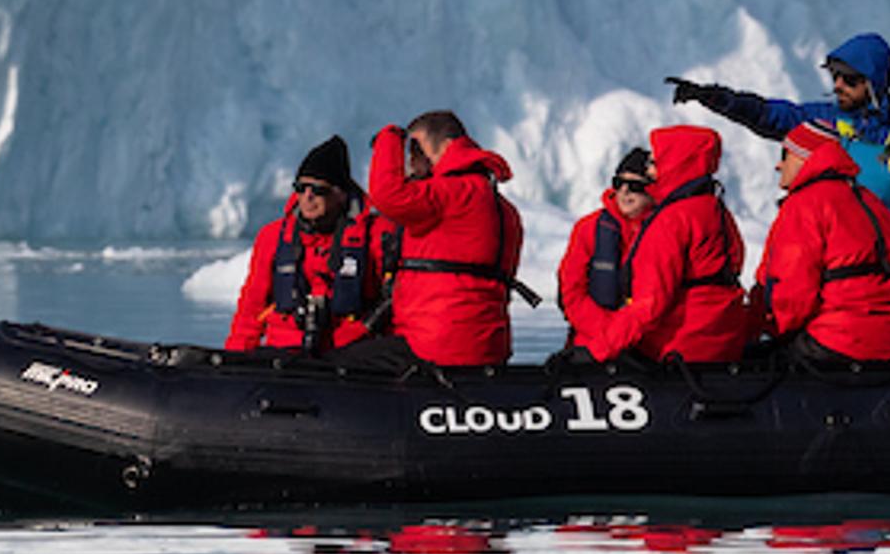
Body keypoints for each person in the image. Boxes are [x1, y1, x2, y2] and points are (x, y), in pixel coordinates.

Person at [669, 33, 890, 299]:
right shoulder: (821, 120)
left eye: (849, 79)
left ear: (874, 82)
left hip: (872, 266)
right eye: (834, 76)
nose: (838, 85)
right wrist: (712, 96)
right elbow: (766, 114)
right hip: (815, 261)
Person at [749, 122, 890, 375]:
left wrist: (760, 330)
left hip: (842, 343)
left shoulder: (804, 205)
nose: (779, 165)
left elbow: (792, 298)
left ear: (804, 158)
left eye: (785, 155)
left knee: (757, 361)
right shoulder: (873, 202)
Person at [580, 121, 748, 364]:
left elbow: (650, 303)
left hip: (680, 346)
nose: (650, 172)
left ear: (676, 164)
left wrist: (596, 351)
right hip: (724, 342)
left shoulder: (672, 221)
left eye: (656, 163)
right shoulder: (719, 213)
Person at [365, 109, 523, 367]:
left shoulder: (451, 193)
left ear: (448, 146)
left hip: (435, 345)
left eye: (417, 148)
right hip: (488, 345)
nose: (412, 160)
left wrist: (389, 139)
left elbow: (388, 195)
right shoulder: (504, 208)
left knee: (339, 365)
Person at [226, 136, 395, 352]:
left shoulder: (376, 235)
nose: (307, 197)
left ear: (341, 194)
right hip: (284, 349)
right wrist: (235, 359)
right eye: (301, 187)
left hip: (349, 352)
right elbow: (251, 307)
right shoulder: (274, 236)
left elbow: (395, 301)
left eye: (318, 190)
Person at [557, 147, 657, 360]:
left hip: (646, 350)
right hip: (591, 345)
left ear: (653, 189)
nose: (624, 192)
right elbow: (571, 294)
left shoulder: (665, 231)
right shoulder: (588, 228)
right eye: (618, 183)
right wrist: (609, 333)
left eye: (635, 186)